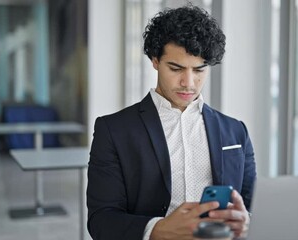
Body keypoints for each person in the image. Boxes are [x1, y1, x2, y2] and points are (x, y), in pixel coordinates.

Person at [87, 4, 256, 240]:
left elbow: (252, 207)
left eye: (199, 70)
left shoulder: (236, 131)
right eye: (176, 68)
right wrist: (158, 230)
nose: (188, 82)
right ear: (155, 60)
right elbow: (101, 221)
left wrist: (246, 221)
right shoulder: (113, 130)